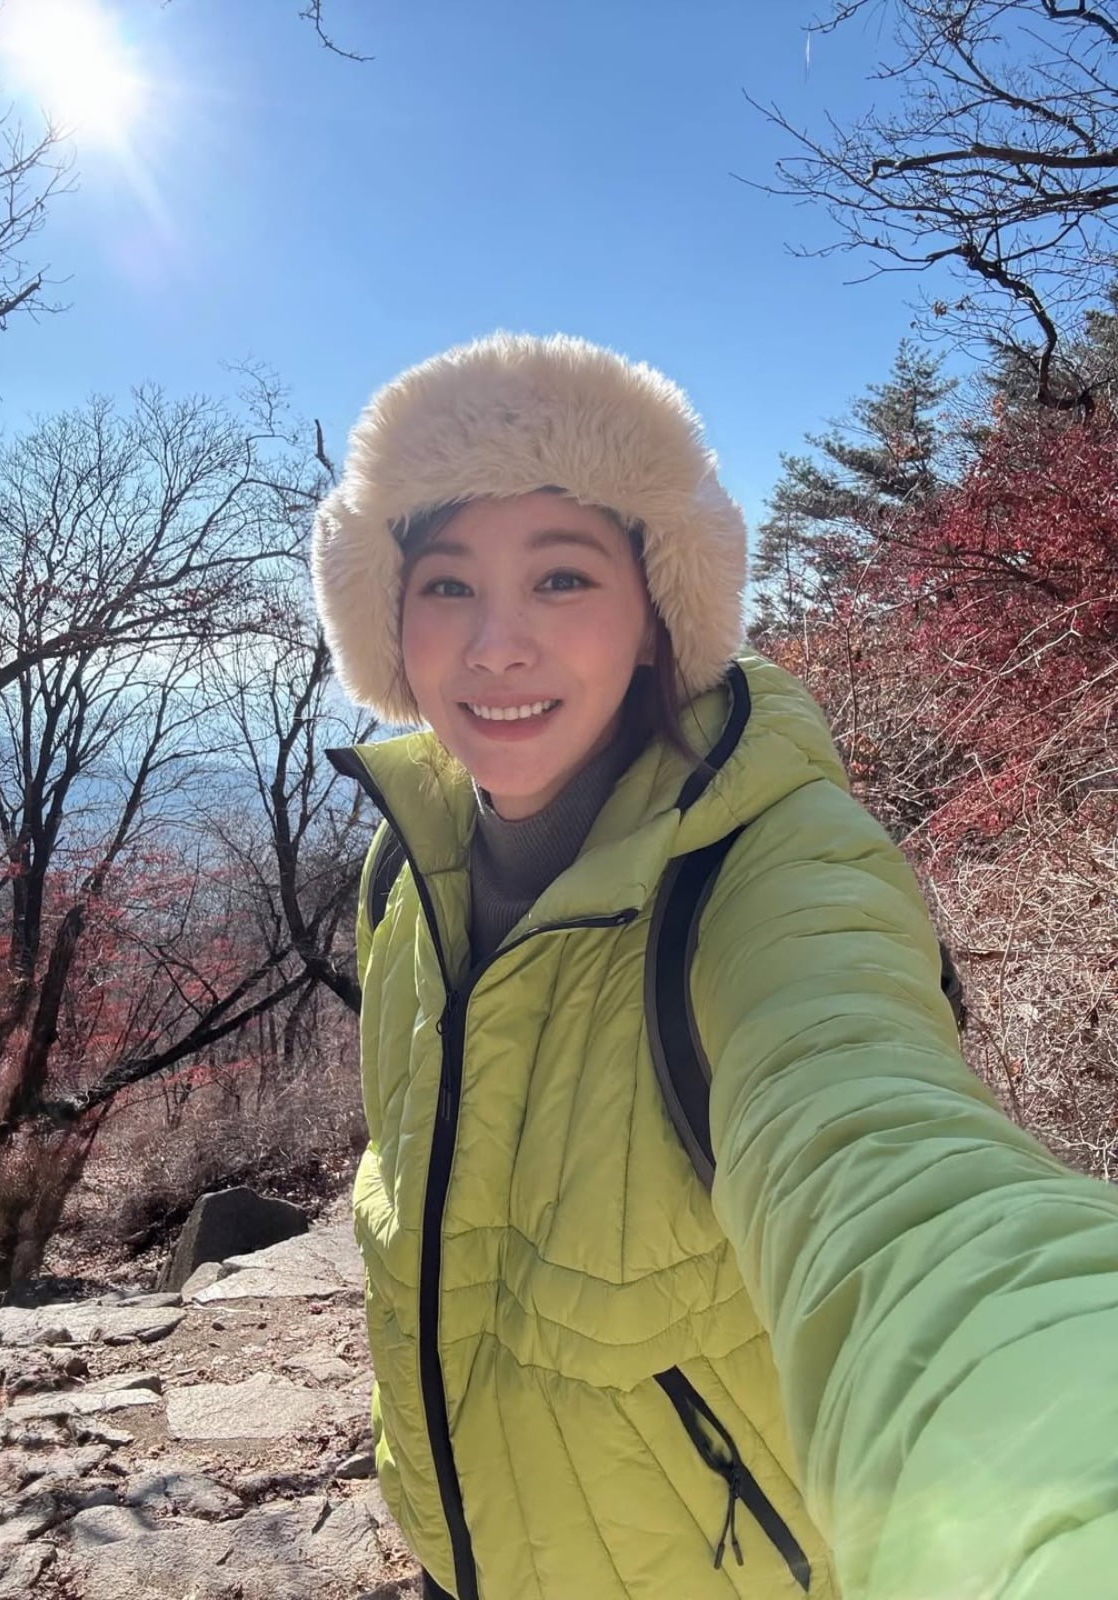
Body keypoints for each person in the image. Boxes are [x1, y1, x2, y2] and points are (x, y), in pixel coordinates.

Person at [312, 333, 1118, 1600]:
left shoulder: (764, 863)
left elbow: (886, 1161)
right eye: (448, 584)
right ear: (391, 624)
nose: (496, 644)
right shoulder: (407, 865)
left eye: (563, 577)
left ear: (655, 621)